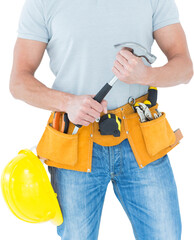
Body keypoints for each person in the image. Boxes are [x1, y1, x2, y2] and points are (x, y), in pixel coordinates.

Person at [10, 0, 193, 239]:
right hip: (74, 142)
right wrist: (68, 103)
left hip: (141, 139)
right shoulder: (42, 3)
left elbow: (185, 68)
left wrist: (148, 75)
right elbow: (19, 82)